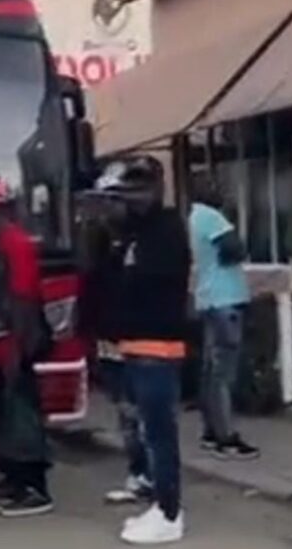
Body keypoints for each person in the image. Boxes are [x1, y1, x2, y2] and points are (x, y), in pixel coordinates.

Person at [108, 159, 191, 545]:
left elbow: (148, 282)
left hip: (158, 346)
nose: (132, 197)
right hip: (137, 345)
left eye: (140, 189)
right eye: (128, 189)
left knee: (160, 436)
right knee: (149, 432)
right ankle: (161, 505)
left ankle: (170, 513)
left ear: (157, 189)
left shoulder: (166, 230)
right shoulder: (136, 233)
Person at [0, 179, 55, 518]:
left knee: (23, 415)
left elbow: (24, 300)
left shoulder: (16, 245)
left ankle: (35, 488)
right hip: (2, 345)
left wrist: (18, 349)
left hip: (18, 344)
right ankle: (15, 479)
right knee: (7, 415)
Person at [78, 177, 150, 505]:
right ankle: (142, 472)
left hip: (128, 338)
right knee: (129, 410)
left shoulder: (129, 244)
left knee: (133, 410)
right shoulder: (105, 242)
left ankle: (145, 474)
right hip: (114, 337)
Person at [189, 177, 259, 461]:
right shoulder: (212, 217)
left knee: (210, 370)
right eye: (216, 186)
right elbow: (235, 248)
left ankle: (210, 431)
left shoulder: (193, 217)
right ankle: (226, 437)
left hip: (208, 297)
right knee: (223, 373)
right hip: (225, 298)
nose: (222, 192)